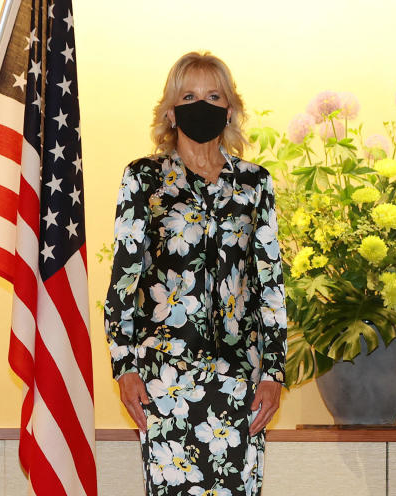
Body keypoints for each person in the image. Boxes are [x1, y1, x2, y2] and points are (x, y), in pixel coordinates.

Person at [104, 51, 287, 496]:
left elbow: (271, 284)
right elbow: (124, 279)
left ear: (229, 108)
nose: (200, 104)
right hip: (165, 379)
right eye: (188, 95)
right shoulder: (143, 179)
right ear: (171, 110)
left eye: (212, 95)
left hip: (240, 378)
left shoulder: (254, 183)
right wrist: (124, 366)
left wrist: (274, 372)